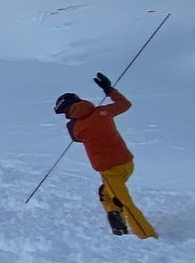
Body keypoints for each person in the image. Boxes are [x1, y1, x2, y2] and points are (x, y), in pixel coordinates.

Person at [53, 73, 157, 239]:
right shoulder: (103, 112)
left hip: (110, 170)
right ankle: (116, 219)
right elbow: (125, 104)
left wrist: (72, 123)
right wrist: (109, 90)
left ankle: (147, 236)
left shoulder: (77, 127)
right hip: (127, 163)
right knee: (106, 193)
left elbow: (76, 138)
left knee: (125, 202)